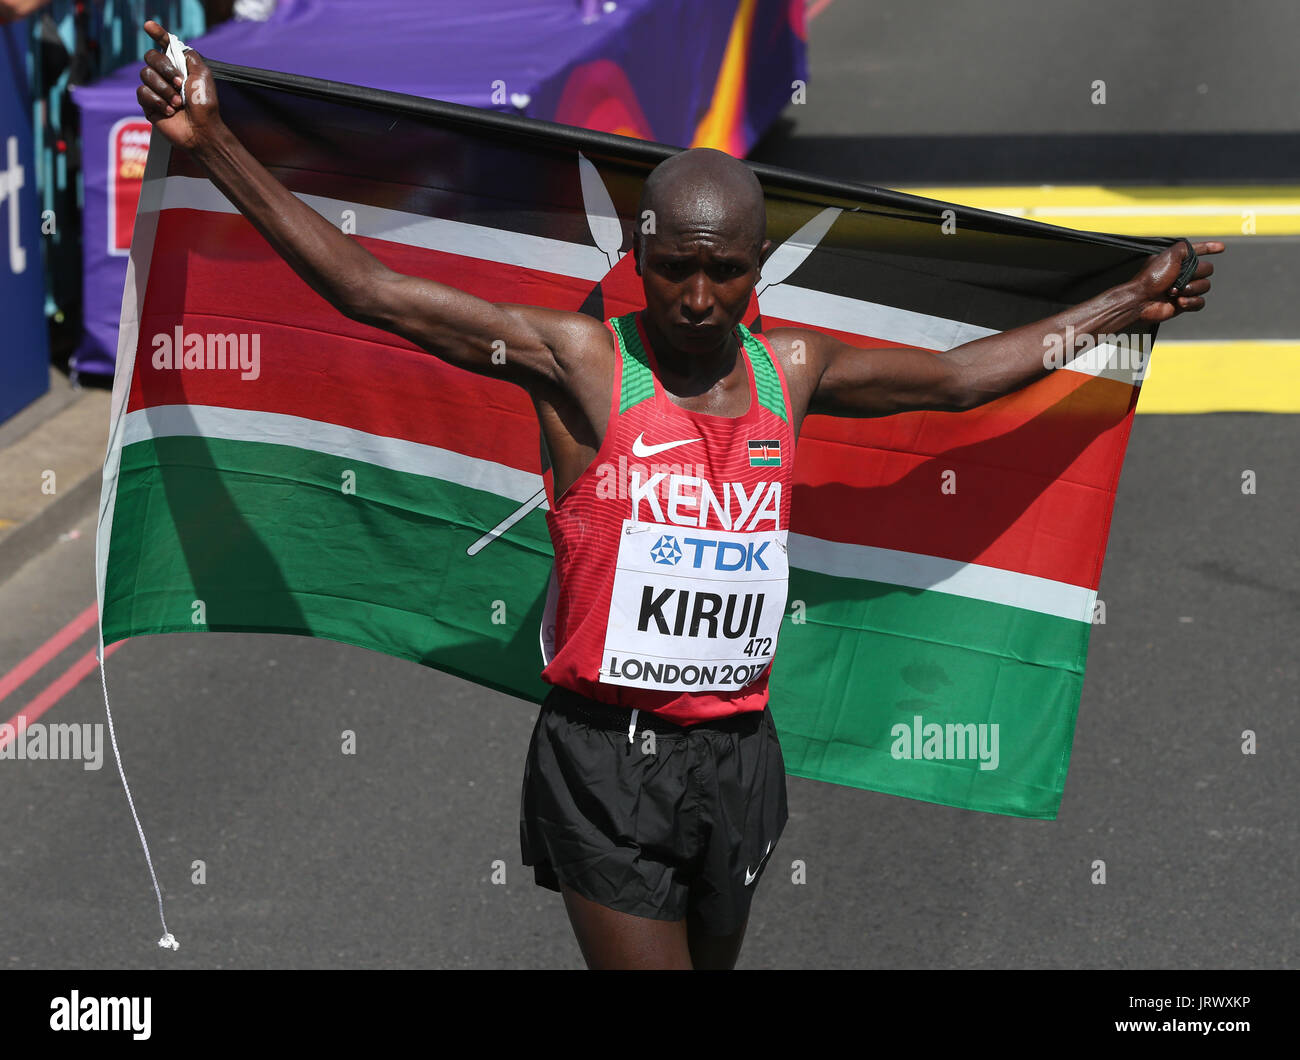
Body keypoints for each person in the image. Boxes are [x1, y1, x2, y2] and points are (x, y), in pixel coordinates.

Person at [134, 19, 1223, 970]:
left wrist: (1127, 299)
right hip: (604, 757)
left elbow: (958, 378)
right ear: (640, 255)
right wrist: (214, 142)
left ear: (759, 269)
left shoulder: (791, 371)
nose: (698, 298)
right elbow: (369, 289)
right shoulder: (577, 363)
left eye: (726, 271)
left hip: (737, 755)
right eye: (674, 270)